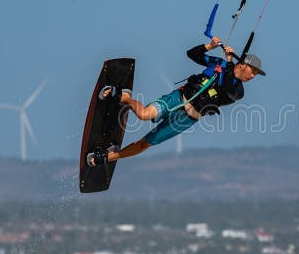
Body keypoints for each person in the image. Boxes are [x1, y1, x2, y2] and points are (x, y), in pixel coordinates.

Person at [86, 36, 265, 166]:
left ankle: (107, 157)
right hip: (178, 99)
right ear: (244, 64)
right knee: (144, 115)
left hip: (186, 119)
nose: (253, 76)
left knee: (145, 144)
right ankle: (124, 97)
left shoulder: (238, 90)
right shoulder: (217, 64)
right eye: (253, 71)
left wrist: (228, 62)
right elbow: (192, 54)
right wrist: (209, 46)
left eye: (256, 74)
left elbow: (227, 86)